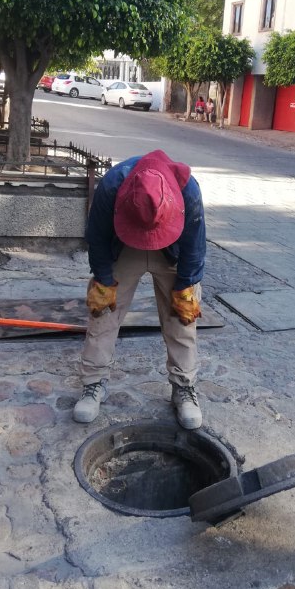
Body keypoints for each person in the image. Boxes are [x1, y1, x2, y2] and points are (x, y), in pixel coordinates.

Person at [73, 149, 206, 430]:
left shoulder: (188, 190)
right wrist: (104, 279)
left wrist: (185, 289)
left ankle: (183, 387)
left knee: (181, 318)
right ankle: (93, 384)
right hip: (125, 246)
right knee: (103, 313)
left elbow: (195, 247)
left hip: (172, 249)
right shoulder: (111, 186)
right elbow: (96, 239)